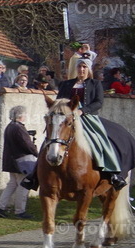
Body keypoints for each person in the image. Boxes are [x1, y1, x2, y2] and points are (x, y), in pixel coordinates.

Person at [24, 56, 125, 190]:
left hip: (86, 117)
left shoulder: (95, 84)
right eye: (79, 67)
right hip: (66, 118)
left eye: (84, 67)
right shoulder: (66, 84)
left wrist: (82, 111)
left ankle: (112, 174)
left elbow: (99, 102)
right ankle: (34, 176)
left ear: (88, 69)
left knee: (99, 139)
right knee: (50, 139)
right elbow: (59, 101)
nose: (81, 69)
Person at [0, 106, 39, 219]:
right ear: (21, 116)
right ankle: (19, 211)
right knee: (23, 185)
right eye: (25, 114)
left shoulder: (10, 126)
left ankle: (0, 207)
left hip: (12, 161)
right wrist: (38, 154)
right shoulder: (19, 128)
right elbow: (27, 144)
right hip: (21, 161)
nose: (26, 116)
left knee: (12, 185)